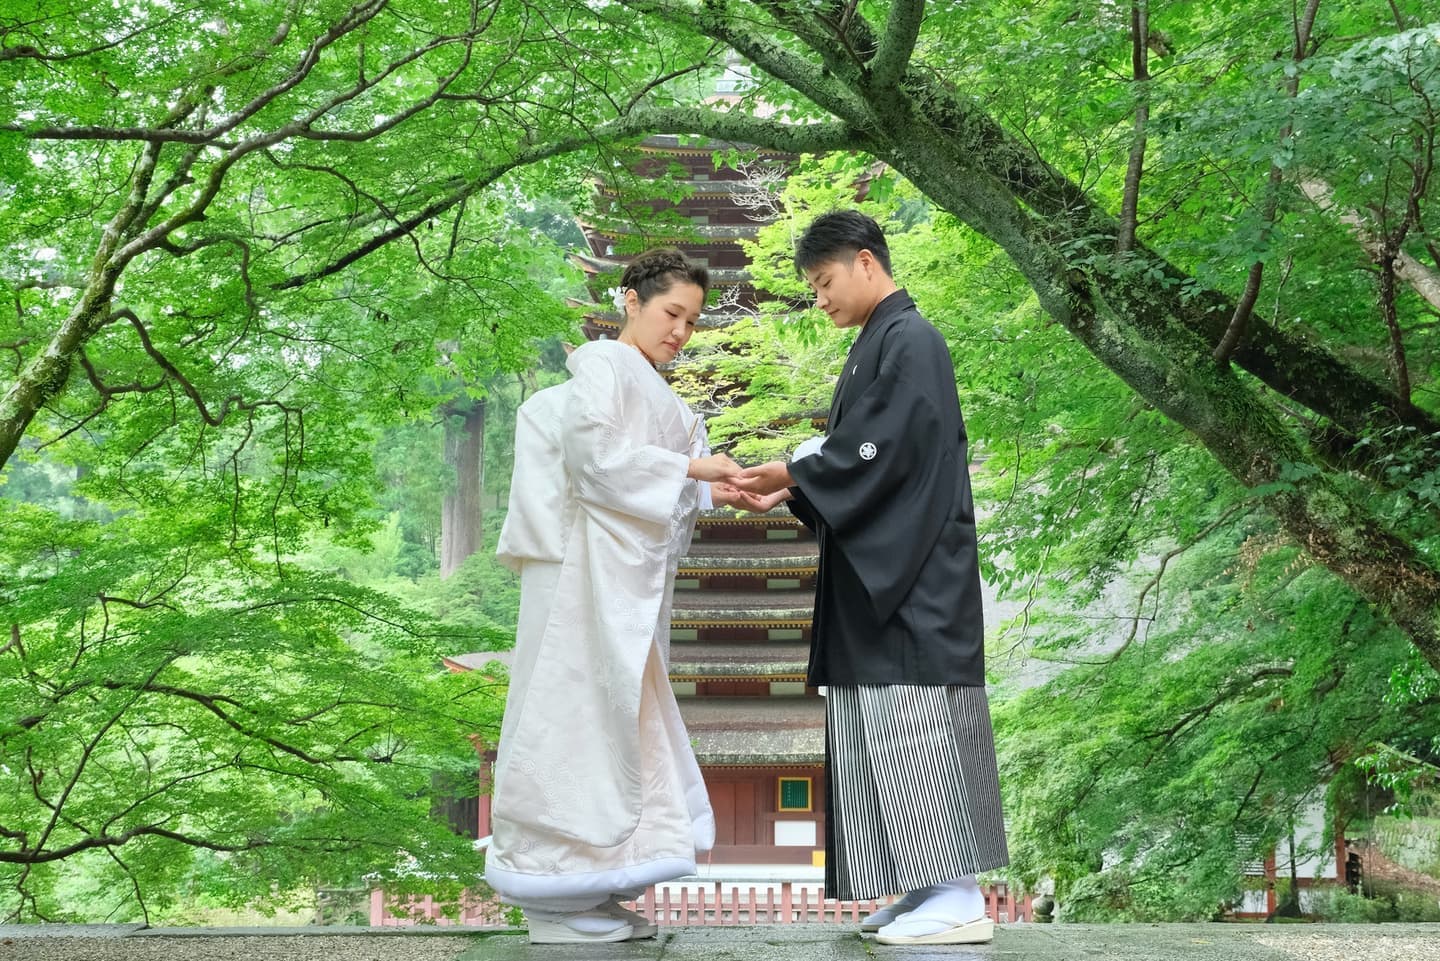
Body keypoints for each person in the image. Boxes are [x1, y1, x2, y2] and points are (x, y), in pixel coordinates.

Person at [733, 211, 1009, 946]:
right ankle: (924, 886)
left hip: (916, 585)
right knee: (880, 734)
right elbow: (856, 458)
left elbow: (882, 448)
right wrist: (794, 487)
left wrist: (799, 470)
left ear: (865, 262)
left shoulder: (911, 340)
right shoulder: (875, 346)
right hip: (880, 584)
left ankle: (956, 891)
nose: (818, 298)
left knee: (917, 728)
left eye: (823, 282)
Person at [485, 249, 747, 944]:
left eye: (692, 321)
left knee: (619, 726)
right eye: (671, 314)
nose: (681, 333)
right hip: (580, 576)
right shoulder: (602, 363)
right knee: (568, 718)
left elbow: (674, 490)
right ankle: (552, 892)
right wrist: (694, 467)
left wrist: (729, 488)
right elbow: (596, 454)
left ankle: (595, 885)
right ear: (631, 300)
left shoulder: (668, 398)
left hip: (627, 588)